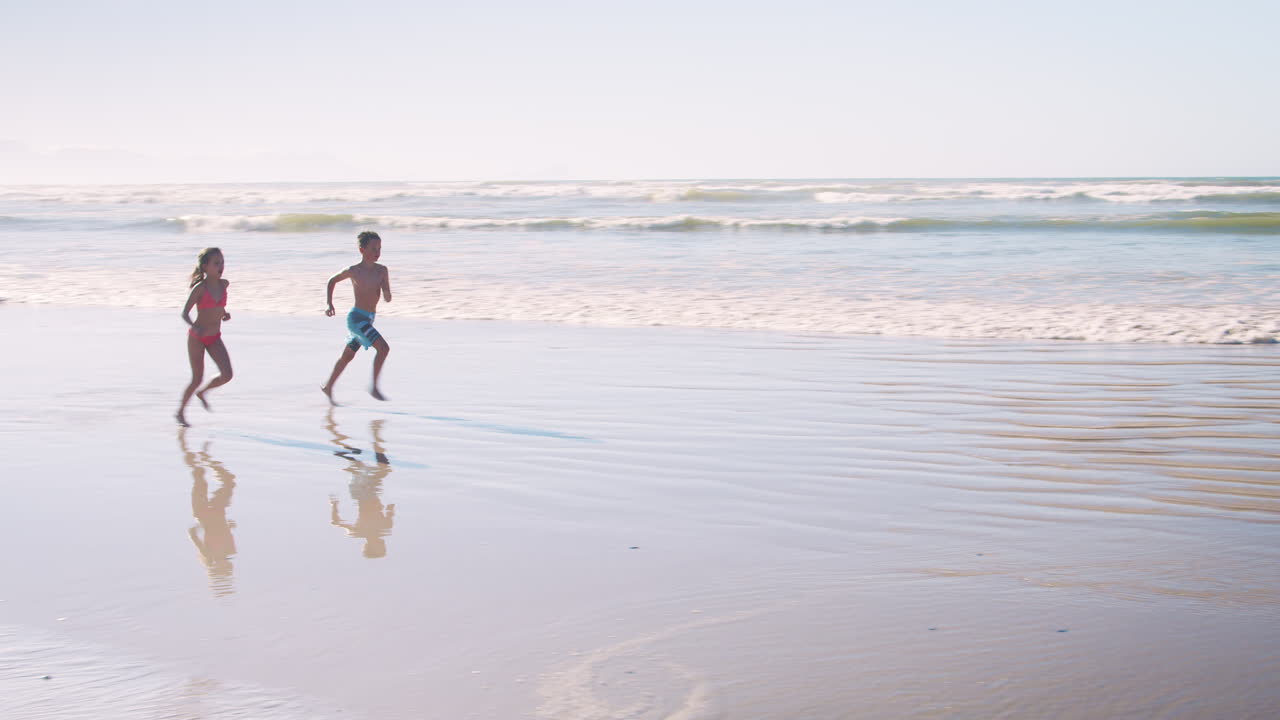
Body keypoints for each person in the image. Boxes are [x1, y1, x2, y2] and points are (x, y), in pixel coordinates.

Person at [322, 231, 392, 403]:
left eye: (380, 248)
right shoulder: (354, 271)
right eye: (374, 248)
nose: (378, 252)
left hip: (368, 319)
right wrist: (329, 304)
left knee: (348, 356)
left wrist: (387, 293)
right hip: (356, 319)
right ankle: (374, 387)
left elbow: (387, 294)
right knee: (383, 348)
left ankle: (328, 386)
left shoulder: (382, 270)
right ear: (362, 250)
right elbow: (332, 281)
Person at [177, 247, 233, 426]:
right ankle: (180, 412)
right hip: (197, 338)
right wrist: (194, 326)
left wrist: (224, 314)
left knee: (227, 375)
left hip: (215, 337)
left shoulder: (224, 284)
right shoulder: (200, 289)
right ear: (205, 267)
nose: (221, 266)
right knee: (196, 378)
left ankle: (203, 392)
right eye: (216, 263)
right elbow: (185, 313)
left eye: (222, 262)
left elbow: (218, 306)